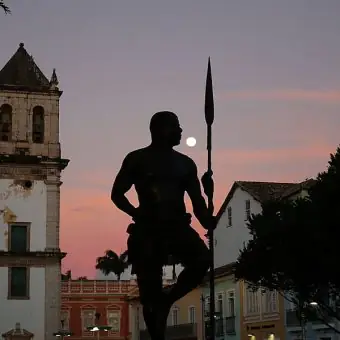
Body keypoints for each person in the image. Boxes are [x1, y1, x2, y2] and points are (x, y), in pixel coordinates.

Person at [111, 111, 215, 340]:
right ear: (161, 130)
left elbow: (201, 211)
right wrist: (136, 213)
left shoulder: (186, 165)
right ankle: (157, 329)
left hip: (177, 226)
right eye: (176, 127)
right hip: (147, 229)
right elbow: (117, 194)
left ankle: (166, 299)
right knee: (148, 295)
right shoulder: (136, 159)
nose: (180, 131)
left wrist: (210, 195)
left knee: (203, 259)